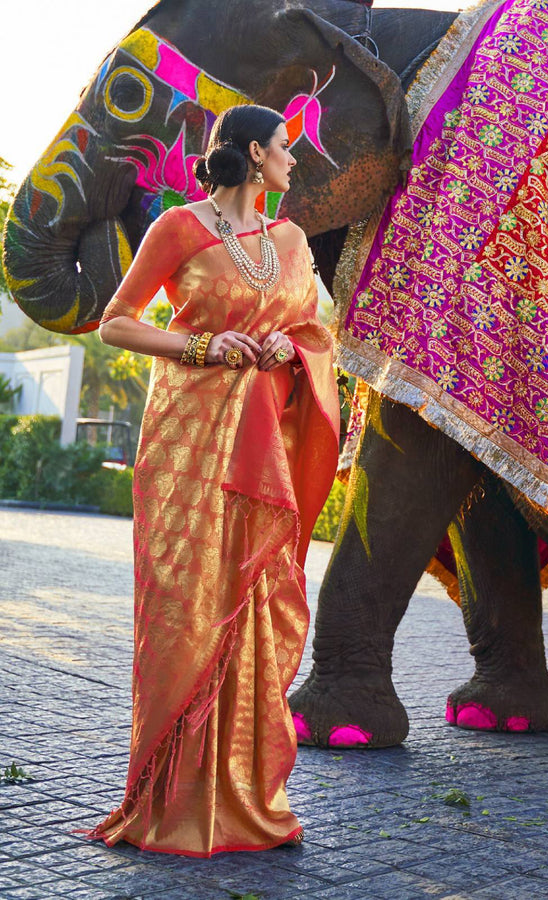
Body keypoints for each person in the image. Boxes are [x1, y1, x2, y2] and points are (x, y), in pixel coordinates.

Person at [90, 105, 340, 857]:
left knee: (254, 603)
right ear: (255, 152)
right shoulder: (178, 228)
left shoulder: (290, 239)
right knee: (186, 604)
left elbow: (314, 335)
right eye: (286, 151)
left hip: (261, 445)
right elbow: (116, 322)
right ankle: (167, 801)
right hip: (186, 445)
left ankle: (246, 796)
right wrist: (200, 344)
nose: (294, 164)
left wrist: (284, 349)